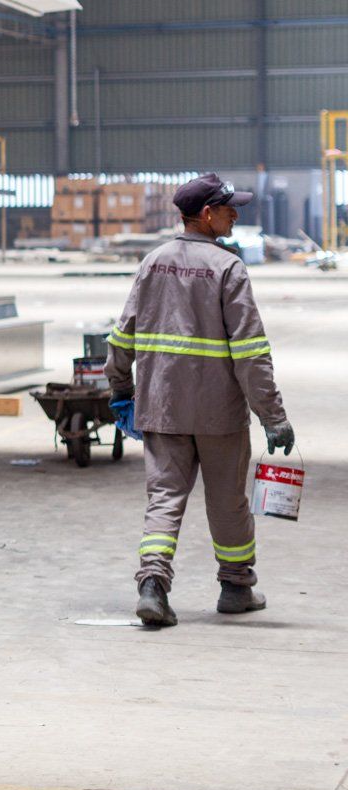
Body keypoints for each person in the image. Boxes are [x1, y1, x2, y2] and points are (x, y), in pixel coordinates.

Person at [107, 173, 294, 629]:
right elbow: (251, 352)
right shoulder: (228, 268)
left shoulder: (153, 262)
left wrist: (120, 391)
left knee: (164, 498)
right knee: (227, 501)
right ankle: (235, 588)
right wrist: (273, 417)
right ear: (206, 214)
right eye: (229, 208)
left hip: (162, 407)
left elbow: (122, 335)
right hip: (218, 414)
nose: (236, 214)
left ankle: (153, 585)